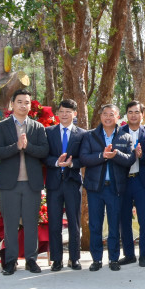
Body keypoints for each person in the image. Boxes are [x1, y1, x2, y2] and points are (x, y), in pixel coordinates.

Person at [0, 89, 50, 274]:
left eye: (27, 102)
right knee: (10, 223)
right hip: (10, 184)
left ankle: (31, 260)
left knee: (31, 223)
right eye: (19, 102)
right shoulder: (2, 127)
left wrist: (28, 147)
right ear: (12, 104)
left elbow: (43, 151)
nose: (23, 106)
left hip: (31, 183)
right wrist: (16, 147)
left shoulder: (37, 127)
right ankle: (10, 261)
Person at [81, 103, 135, 271]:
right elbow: (84, 158)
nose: (108, 117)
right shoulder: (90, 136)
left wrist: (115, 154)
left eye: (111, 114)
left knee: (114, 224)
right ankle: (96, 259)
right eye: (105, 114)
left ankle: (113, 259)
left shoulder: (125, 137)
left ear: (117, 117)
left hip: (115, 188)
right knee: (95, 225)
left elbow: (130, 159)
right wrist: (102, 156)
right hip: (95, 188)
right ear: (100, 116)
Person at [44, 99, 85, 271]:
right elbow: (43, 156)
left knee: (74, 222)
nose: (65, 115)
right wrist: (55, 162)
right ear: (57, 113)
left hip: (72, 182)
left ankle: (74, 258)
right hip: (54, 183)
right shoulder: (49, 132)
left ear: (75, 114)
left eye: (68, 112)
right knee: (54, 222)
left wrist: (71, 164)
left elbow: (84, 157)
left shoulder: (82, 134)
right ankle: (56, 259)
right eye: (62, 111)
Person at [117, 101, 145, 267]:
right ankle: (129, 254)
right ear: (126, 115)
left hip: (142, 182)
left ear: (142, 115)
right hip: (124, 181)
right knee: (124, 219)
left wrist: (141, 156)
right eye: (130, 112)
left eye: (136, 112)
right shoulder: (118, 133)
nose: (133, 115)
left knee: (144, 220)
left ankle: (144, 254)